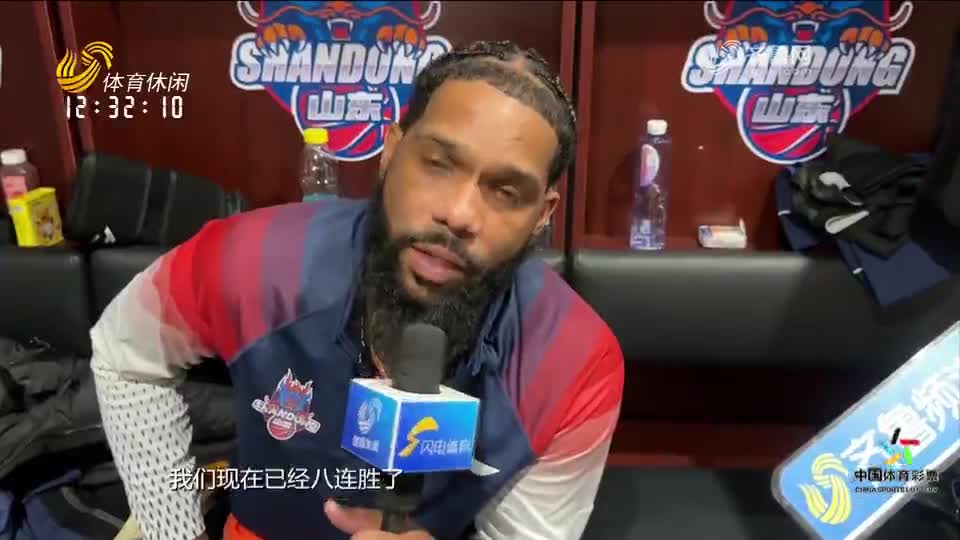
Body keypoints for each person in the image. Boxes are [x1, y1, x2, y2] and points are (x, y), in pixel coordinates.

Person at [90, 40, 625, 540]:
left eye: (506, 191)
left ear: (542, 215)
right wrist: (174, 530)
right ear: (391, 151)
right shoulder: (252, 259)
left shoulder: (575, 361)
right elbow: (124, 356)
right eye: (438, 164)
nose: (460, 214)